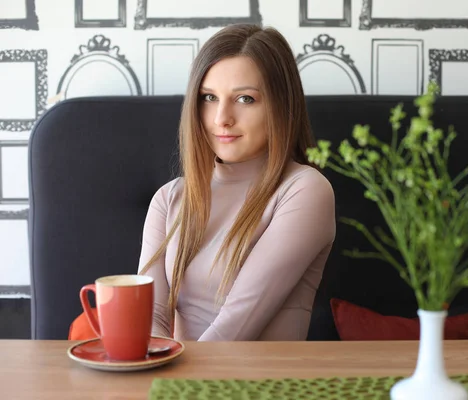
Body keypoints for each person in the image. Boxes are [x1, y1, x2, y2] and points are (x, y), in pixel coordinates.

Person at [136, 23, 336, 341]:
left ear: (281, 106)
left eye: (245, 99)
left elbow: (234, 329)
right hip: (179, 384)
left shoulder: (305, 189)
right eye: (209, 97)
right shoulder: (169, 197)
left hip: (260, 387)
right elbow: (151, 319)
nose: (221, 118)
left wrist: (174, 381)